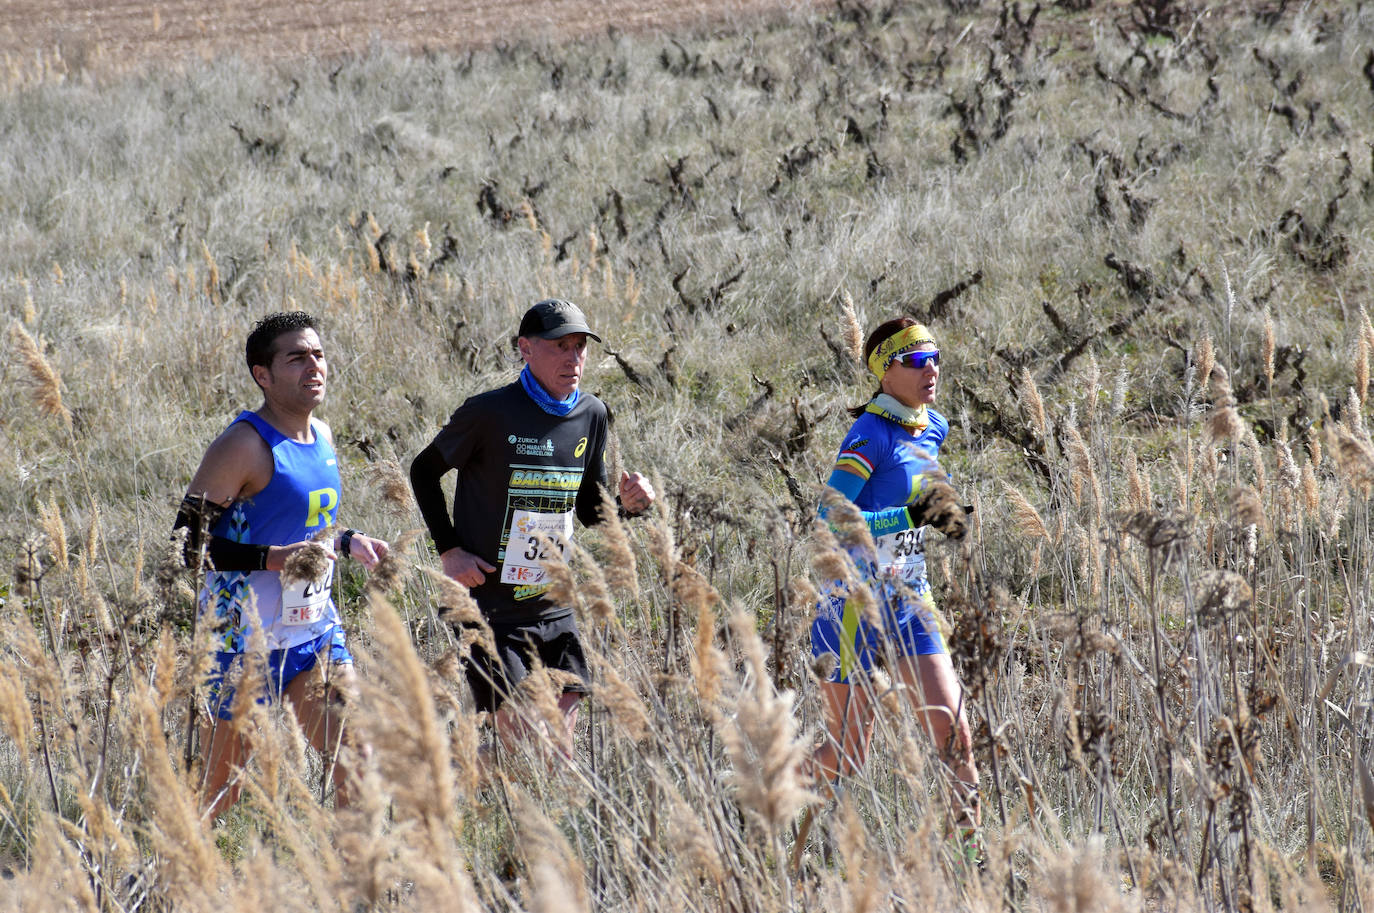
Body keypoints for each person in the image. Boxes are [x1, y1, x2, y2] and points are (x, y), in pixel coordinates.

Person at [409, 298, 655, 759]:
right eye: (560, 346)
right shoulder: (488, 413)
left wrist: (628, 507)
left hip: (555, 608)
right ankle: (446, 778)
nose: (573, 358)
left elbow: (590, 510)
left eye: (580, 347)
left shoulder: (592, 415)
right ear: (526, 348)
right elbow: (422, 472)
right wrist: (450, 551)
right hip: (491, 608)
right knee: (525, 751)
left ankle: (460, 772)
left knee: (559, 756)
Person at [173, 311, 389, 818]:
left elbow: (309, 528)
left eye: (318, 354)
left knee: (359, 761)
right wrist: (273, 559)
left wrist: (349, 540)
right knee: (221, 796)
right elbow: (187, 546)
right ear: (262, 375)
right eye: (297, 357)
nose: (314, 366)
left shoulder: (324, 437)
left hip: (312, 634)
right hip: (240, 644)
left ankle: (353, 890)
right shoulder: (243, 445)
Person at [808, 317, 980, 848]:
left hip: (909, 601)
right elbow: (829, 519)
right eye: (914, 361)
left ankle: (974, 864)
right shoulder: (869, 434)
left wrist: (948, 514)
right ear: (885, 373)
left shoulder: (934, 426)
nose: (930, 370)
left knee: (955, 737)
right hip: (851, 606)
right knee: (845, 757)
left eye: (934, 359)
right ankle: (755, 813)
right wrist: (908, 516)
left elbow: (927, 491)